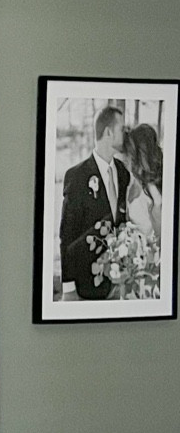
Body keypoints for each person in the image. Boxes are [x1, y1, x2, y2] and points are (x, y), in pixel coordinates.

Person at [59, 103, 129, 298]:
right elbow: (67, 235)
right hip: (86, 285)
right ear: (108, 132)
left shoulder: (123, 173)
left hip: (119, 283)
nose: (126, 134)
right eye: (122, 129)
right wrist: (68, 288)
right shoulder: (76, 176)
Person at [122, 120, 164, 250]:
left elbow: (160, 240)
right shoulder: (133, 181)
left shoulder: (154, 195)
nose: (125, 158)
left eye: (128, 154)